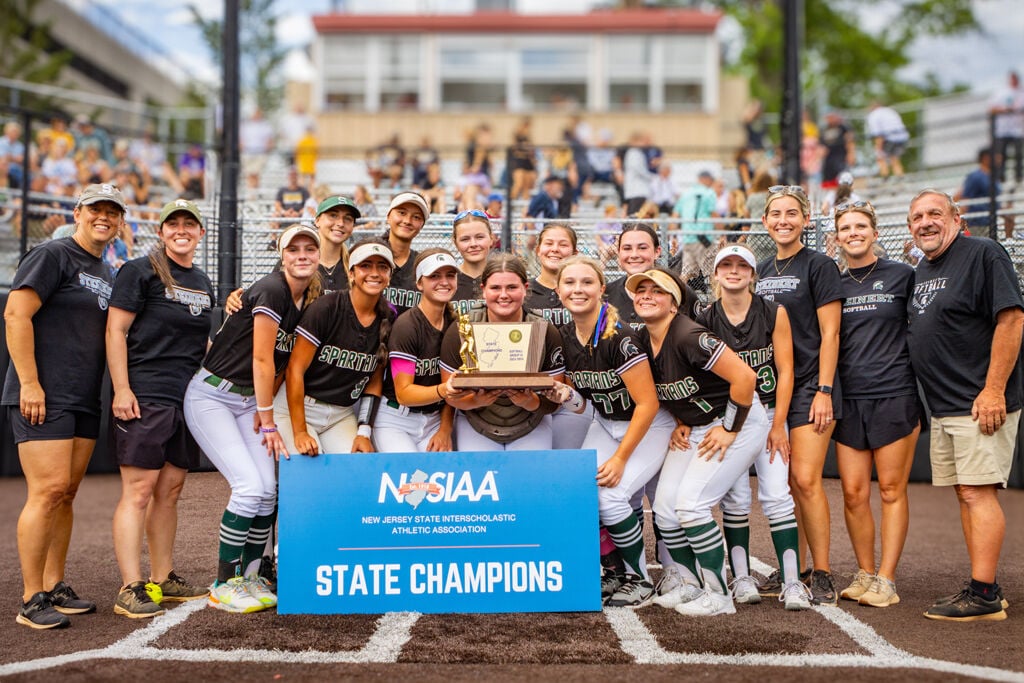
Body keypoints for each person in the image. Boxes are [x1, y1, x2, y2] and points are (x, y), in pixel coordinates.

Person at [3, 183, 124, 629]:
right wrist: (30, 384)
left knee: (66, 494)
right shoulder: (52, 254)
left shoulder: (108, 271)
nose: (104, 217)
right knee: (48, 491)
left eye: (112, 211)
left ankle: (54, 584)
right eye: (96, 208)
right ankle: (30, 597)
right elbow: (16, 315)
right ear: (77, 212)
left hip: (82, 396)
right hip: (43, 395)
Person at [183, 223, 320, 614]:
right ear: (282, 253)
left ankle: (253, 574)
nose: (302, 255)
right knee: (247, 487)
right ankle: (223, 583)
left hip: (247, 402)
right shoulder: (274, 288)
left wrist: (260, 408)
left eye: (310, 249)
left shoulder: (303, 297)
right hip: (214, 395)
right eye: (294, 248)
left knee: (266, 491)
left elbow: (276, 364)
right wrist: (269, 417)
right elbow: (261, 358)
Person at [906, 190, 1023, 622]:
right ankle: (985, 583)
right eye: (917, 217)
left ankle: (984, 593)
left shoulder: (983, 253)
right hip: (947, 405)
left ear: (956, 217)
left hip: (980, 401)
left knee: (977, 492)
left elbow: (1011, 318)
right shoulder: (924, 267)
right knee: (966, 492)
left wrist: (993, 389)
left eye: (935, 213)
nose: (925, 222)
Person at [627, 267, 767, 616]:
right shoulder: (643, 339)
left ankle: (719, 597)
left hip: (737, 421)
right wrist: (679, 420)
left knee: (691, 505)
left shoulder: (688, 335)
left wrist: (731, 429)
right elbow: (668, 390)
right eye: (640, 290)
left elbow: (746, 378)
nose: (646, 295)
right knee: (664, 509)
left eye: (656, 291)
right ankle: (691, 586)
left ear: (674, 303)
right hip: (700, 425)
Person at [107, 199, 215, 618]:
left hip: (187, 397)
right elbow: (116, 330)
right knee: (138, 491)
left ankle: (163, 576)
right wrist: (121, 388)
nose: (182, 230)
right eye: (174, 223)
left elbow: (201, 344)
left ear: (201, 233)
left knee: (170, 491)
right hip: (145, 393)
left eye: (190, 224)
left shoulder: (203, 281)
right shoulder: (139, 270)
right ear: (163, 230)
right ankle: (131, 585)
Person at [548, 257, 674, 607]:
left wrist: (621, 458)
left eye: (587, 282)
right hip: (606, 421)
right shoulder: (566, 335)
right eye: (569, 283)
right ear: (558, 291)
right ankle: (615, 570)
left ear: (602, 289)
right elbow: (584, 398)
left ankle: (640, 579)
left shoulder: (619, 337)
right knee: (579, 490)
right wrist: (564, 395)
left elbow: (647, 404)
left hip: (648, 424)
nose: (578, 290)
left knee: (611, 496)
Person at [694, 244, 809, 611]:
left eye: (741, 265)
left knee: (777, 495)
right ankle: (742, 577)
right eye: (725, 265)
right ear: (714, 274)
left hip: (770, 412)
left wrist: (779, 425)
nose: (733, 271)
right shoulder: (705, 317)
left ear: (752, 273)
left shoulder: (774, 311)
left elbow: (786, 370)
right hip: (731, 419)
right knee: (737, 498)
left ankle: (792, 582)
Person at [754, 185, 843, 605]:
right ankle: (797, 569)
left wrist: (825, 389)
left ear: (807, 220)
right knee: (788, 483)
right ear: (765, 221)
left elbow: (831, 333)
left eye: (792, 213)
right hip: (776, 390)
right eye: (775, 214)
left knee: (807, 479)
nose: (783, 220)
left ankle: (822, 572)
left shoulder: (820, 265)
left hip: (811, 385)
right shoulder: (763, 270)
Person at [831, 200, 920, 609]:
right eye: (846, 227)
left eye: (861, 226)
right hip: (849, 399)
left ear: (875, 232)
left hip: (894, 394)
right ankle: (865, 573)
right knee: (852, 492)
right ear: (836, 236)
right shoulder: (834, 284)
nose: (853, 233)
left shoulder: (902, 275)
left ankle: (887, 578)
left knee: (889, 489)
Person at [278, 240, 394, 458]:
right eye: (366, 265)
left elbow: (374, 380)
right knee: (308, 468)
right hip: (300, 406)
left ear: (389, 276)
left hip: (341, 413)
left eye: (382, 267)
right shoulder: (327, 307)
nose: (375, 273)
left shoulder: (388, 317)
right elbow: (295, 369)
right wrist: (301, 431)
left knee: (359, 467)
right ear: (351, 273)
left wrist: (364, 432)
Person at [439, 254, 565, 452]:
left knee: (530, 482)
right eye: (495, 288)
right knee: (483, 479)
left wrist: (531, 402)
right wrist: (474, 400)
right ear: (483, 290)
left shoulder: (544, 330)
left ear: (525, 288)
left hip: (530, 422)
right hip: (477, 421)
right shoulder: (463, 329)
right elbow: (449, 395)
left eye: (512, 287)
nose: (504, 295)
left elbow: (556, 399)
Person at [374, 249, 458, 453]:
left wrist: (445, 429)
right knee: (413, 481)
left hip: (434, 420)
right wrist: (445, 390)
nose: (444, 281)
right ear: (420, 283)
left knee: (439, 480)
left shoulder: (455, 324)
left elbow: (453, 389)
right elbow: (404, 393)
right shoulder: (407, 326)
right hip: (396, 419)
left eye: (450, 275)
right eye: (434, 276)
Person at [605, 222, 700, 331]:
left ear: (657, 252)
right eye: (627, 248)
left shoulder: (679, 291)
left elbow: (698, 336)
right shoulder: (606, 294)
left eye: (642, 248)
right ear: (619, 252)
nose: (634, 255)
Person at [381, 191, 430, 316]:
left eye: (416, 217)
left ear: (422, 225)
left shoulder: (423, 265)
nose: (408, 221)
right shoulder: (370, 255)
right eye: (402, 213)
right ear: (388, 216)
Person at [672, 171, 718, 283]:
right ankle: (717, 299)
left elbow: (675, 216)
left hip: (688, 238)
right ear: (706, 179)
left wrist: (674, 237)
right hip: (704, 239)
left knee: (686, 274)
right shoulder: (709, 193)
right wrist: (723, 234)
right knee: (713, 273)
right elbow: (714, 216)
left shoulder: (686, 194)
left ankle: (677, 297)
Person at [312, 195, 361, 293]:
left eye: (348, 218)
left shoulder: (357, 266)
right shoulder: (298, 262)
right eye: (333, 215)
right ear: (317, 221)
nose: (341, 223)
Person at [450, 209, 493, 315]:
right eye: (465, 239)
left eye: (479, 237)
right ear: (455, 243)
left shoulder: (502, 278)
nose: (473, 244)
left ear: (491, 238)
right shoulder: (447, 280)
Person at [989, 71, 1024, 185]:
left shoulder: (1021, 93)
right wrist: (1005, 110)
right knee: (1002, 154)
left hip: (1017, 130)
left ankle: (1018, 176)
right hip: (1002, 130)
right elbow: (992, 109)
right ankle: (1001, 176)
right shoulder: (1001, 93)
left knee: (1018, 154)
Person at [865, 102, 909, 179]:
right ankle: (900, 177)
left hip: (889, 138)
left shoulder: (874, 115)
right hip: (902, 137)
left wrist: (878, 149)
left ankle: (885, 178)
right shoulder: (890, 111)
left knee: (880, 158)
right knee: (895, 159)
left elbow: (879, 135)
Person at [819, 111, 856, 190]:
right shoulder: (824, 129)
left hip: (841, 156)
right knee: (828, 178)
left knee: (843, 177)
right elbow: (821, 145)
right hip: (829, 158)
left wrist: (851, 154)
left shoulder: (843, 127)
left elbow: (850, 141)